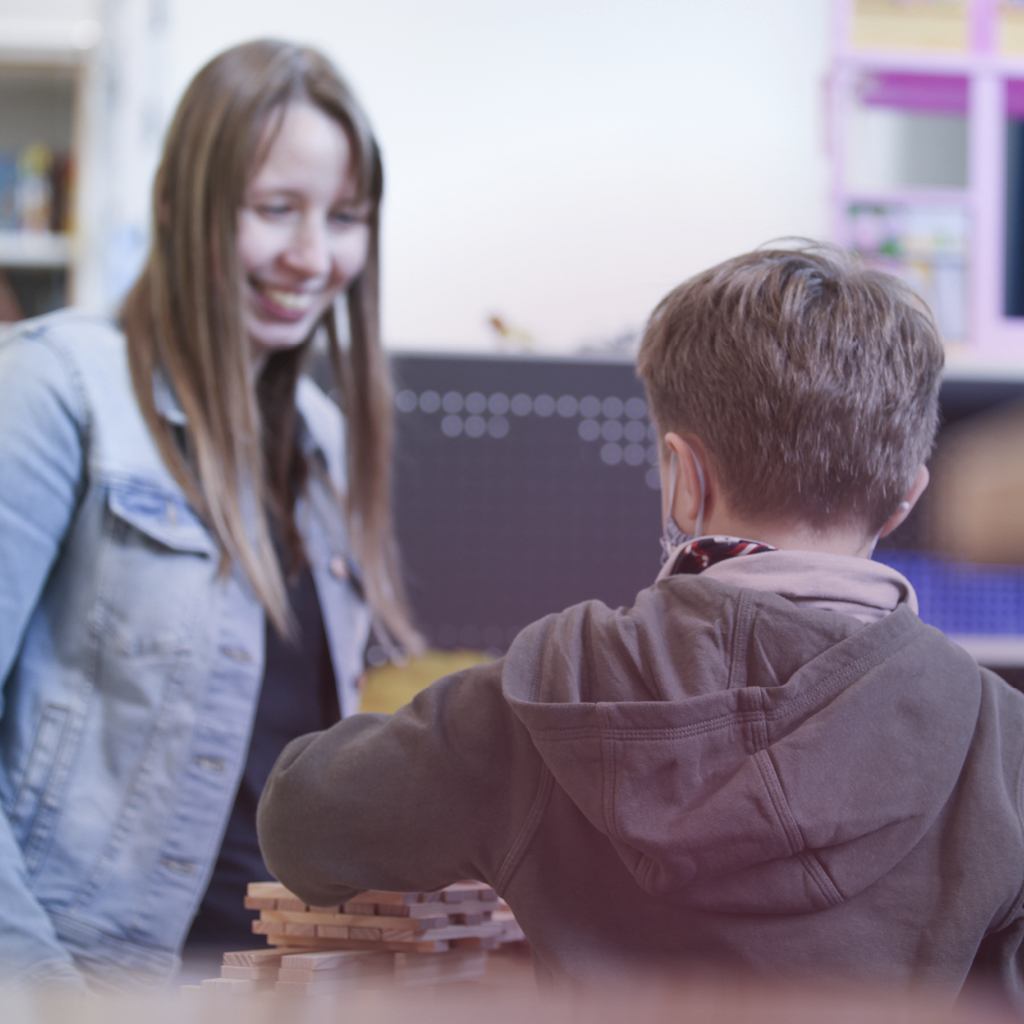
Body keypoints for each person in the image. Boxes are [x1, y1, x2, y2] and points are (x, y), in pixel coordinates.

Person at [258, 245, 1024, 1004]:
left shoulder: (549, 694)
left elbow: (300, 820)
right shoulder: (1001, 741)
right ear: (905, 497)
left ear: (684, 478)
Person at [0, 39, 419, 989]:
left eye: (345, 218)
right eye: (276, 210)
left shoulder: (326, 440)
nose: (314, 257)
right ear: (183, 203)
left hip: (273, 987)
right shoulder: (54, 389)